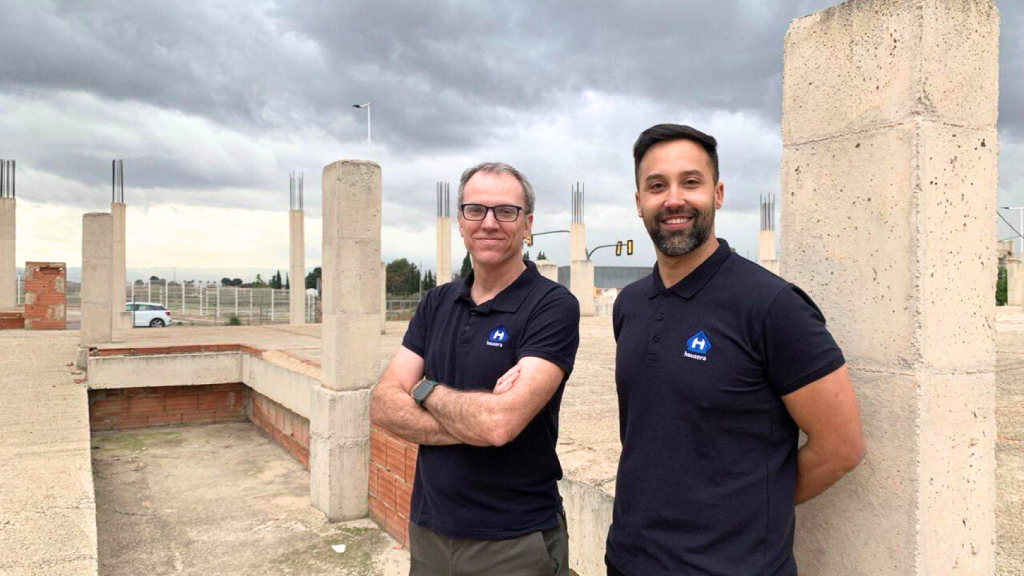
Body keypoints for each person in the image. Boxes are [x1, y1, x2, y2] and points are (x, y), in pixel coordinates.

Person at [604, 124, 866, 576]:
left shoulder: (771, 306)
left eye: (691, 182)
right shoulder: (630, 304)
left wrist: (742, 507)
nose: (673, 200)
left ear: (718, 193)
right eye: (656, 186)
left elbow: (841, 447)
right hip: (628, 560)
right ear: (639, 202)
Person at [370, 162, 580, 576]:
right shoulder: (437, 302)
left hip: (513, 542)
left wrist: (424, 389)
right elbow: (380, 404)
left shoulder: (552, 306)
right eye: (475, 210)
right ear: (460, 223)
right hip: (429, 529)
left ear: (527, 224)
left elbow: (499, 425)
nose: (489, 223)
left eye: (506, 211)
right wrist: (476, 422)